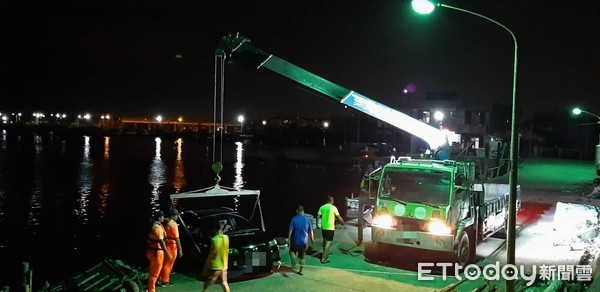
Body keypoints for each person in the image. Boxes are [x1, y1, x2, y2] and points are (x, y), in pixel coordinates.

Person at [146, 210, 172, 292]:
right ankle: (151, 290)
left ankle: (151, 287)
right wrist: (167, 253)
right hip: (157, 252)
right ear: (160, 218)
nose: (164, 218)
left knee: (153, 271)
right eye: (163, 217)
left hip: (151, 251)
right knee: (155, 273)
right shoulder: (158, 228)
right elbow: (161, 241)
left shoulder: (154, 225)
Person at [202, 220, 230, 292]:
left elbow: (211, 254)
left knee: (209, 280)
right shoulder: (226, 237)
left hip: (216, 265)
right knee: (224, 283)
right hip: (224, 265)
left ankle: (203, 291)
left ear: (214, 229)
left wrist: (206, 266)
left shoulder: (214, 240)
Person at [159, 208, 183, 286]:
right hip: (172, 246)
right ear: (173, 216)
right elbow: (177, 238)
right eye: (176, 215)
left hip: (167, 243)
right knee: (169, 264)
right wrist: (180, 249)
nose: (177, 217)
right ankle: (165, 281)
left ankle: (160, 279)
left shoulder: (167, 223)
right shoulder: (174, 224)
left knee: (165, 263)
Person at [287, 205, 314, 275]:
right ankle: (301, 271)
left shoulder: (294, 219)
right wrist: (312, 239)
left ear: (297, 211)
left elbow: (290, 230)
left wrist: (289, 239)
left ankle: (293, 259)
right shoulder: (307, 219)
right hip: (304, 242)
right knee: (302, 256)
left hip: (295, 241)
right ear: (303, 211)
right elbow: (310, 231)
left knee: (292, 251)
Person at [317, 196, 344, 264]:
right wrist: (342, 222)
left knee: (324, 241)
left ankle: (324, 253)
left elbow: (318, 216)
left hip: (324, 227)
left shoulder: (322, 207)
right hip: (330, 227)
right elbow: (338, 217)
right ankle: (324, 258)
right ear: (332, 201)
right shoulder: (333, 208)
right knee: (328, 243)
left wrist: (317, 224)